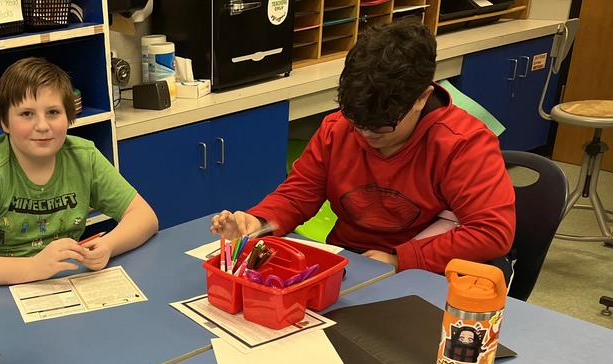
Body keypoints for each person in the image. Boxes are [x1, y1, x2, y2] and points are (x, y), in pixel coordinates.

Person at [211, 17, 516, 276]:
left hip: (423, 269)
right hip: (350, 263)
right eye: (356, 119)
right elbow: (298, 196)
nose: (365, 133)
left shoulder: (462, 143)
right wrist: (261, 221)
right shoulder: (337, 129)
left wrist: (400, 260)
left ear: (422, 97)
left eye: (382, 126)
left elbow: (492, 231)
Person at [0, 57, 159, 287]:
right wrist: (34, 267)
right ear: (4, 122)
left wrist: (108, 245)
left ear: (69, 117)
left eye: (53, 112)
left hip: (63, 285)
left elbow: (145, 217)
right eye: (27, 114)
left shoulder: (83, 157)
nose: (43, 126)